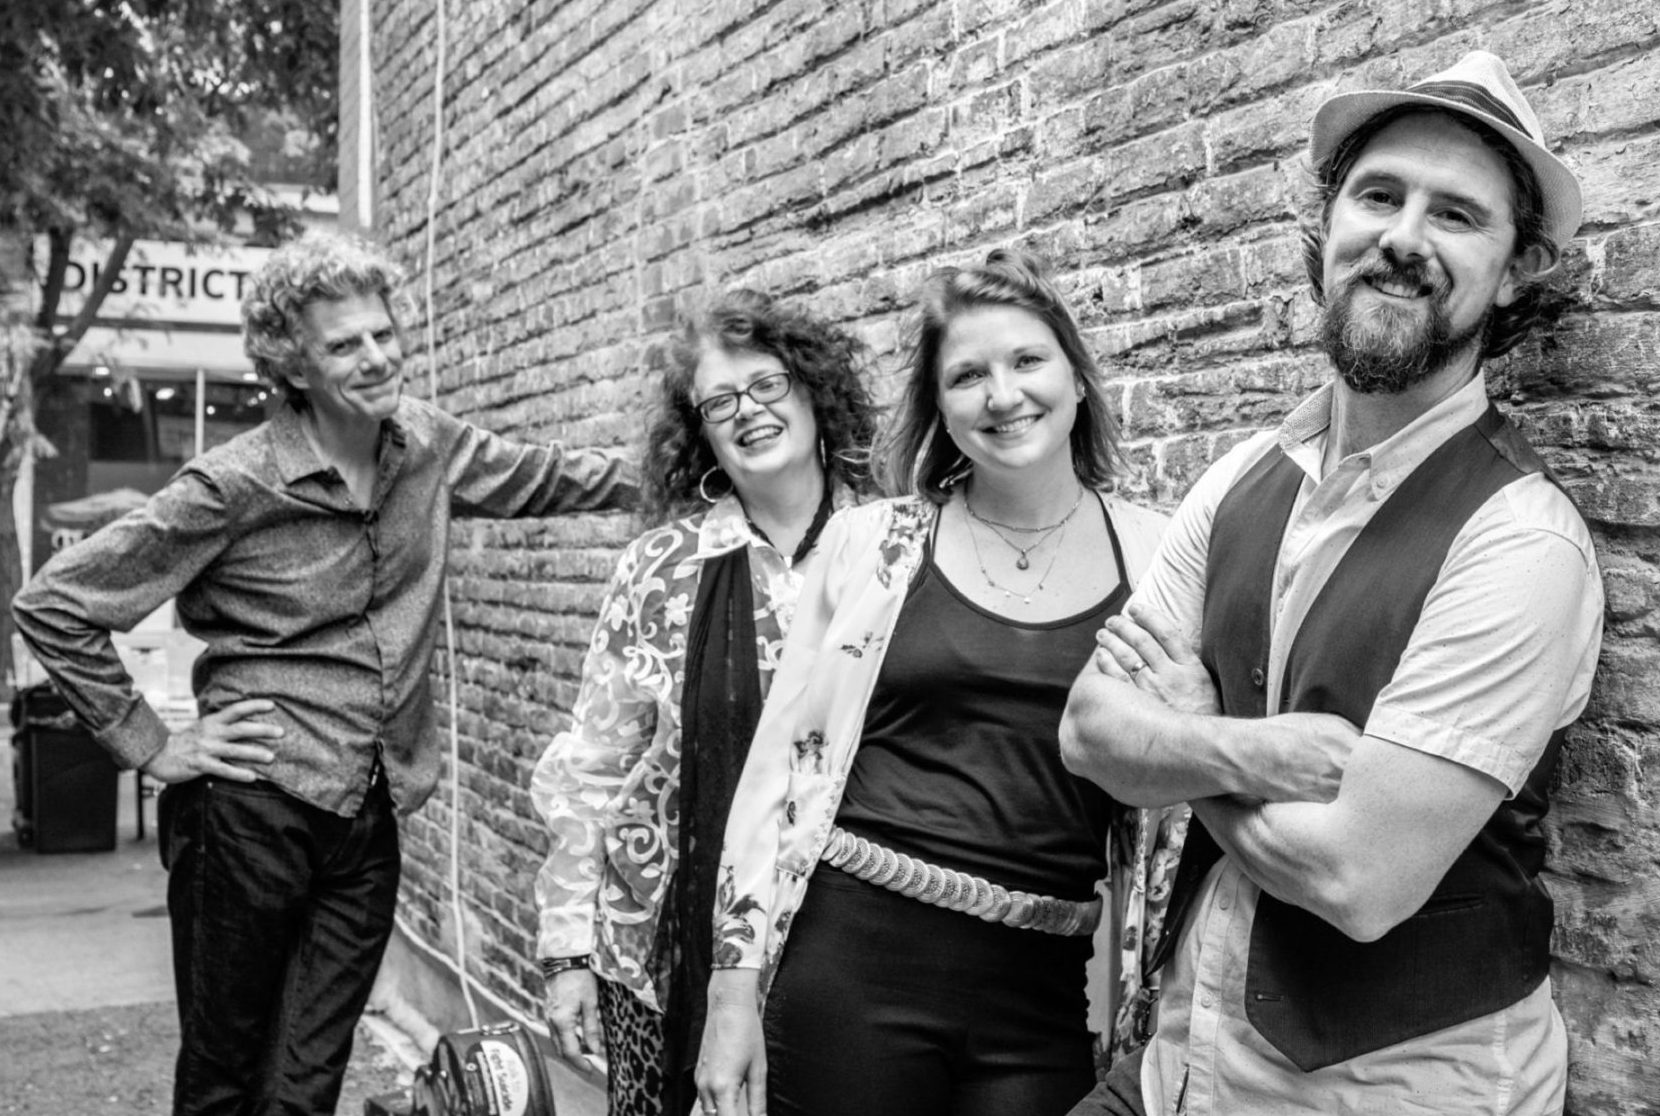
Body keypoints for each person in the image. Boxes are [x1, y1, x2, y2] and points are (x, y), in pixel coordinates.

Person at [1059, 51, 1604, 1114]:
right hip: (1178, 1065)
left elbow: (1356, 884)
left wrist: (1175, 744)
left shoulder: (1520, 543)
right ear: (1327, 229)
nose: (1403, 238)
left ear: (1514, 270)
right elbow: (1086, 730)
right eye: (1378, 195)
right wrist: (1240, 745)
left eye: (1456, 215)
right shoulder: (1239, 481)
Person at [11, 229, 635, 1116]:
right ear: (293, 365)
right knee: (226, 1076)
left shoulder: (425, 444)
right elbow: (56, 604)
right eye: (344, 344)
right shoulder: (233, 484)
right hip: (249, 807)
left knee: (308, 1079)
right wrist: (152, 748)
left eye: (382, 333)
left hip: (367, 809)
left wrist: (695, 468)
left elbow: (547, 478)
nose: (377, 356)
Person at [695, 248, 1172, 1116]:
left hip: (1043, 985)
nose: (1001, 395)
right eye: (967, 376)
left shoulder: (1159, 558)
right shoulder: (872, 544)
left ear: (1075, 379)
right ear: (939, 406)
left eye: (1026, 361)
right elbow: (776, 772)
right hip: (852, 967)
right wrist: (731, 993)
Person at [530, 289, 878, 1116]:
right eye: (720, 402)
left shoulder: (894, 548)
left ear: (813, 393)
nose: (747, 413)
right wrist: (567, 953)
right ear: (700, 432)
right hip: (659, 947)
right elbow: (594, 769)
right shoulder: (660, 570)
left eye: (767, 386)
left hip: (853, 947)